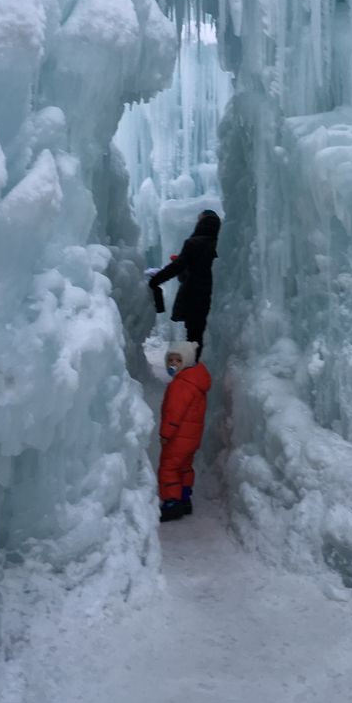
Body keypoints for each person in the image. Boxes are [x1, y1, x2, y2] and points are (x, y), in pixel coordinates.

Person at [148, 209, 221, 354]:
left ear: (203, 222)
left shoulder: (193, 243)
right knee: (197, 333)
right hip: (207, 294)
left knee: (192, 334)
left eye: (199, 220)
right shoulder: (215, 243)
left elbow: (177, 268)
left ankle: (191, 370)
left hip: (192, 293)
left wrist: (156, 280)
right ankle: (194, 368)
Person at [158, 340, 211, 523]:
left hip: (178, 436)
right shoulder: (196, 382)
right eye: (170, 360)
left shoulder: (180, 385)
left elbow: (174, 414)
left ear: (186, 361)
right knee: (184, 467)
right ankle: (185, 498)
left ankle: (172, 503)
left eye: (177, 360)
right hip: (192, 437)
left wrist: (165, 435)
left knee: (169, 467)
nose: (173, 364)